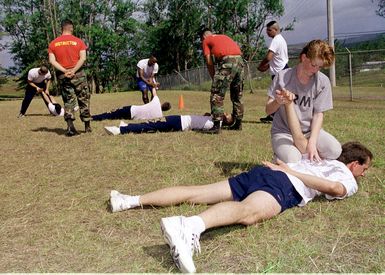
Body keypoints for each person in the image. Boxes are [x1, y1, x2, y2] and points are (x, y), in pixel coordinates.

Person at [108, 100, 372, 273]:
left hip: (264, 173)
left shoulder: (317, 155)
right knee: (248, 212)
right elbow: (335, 189)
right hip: (284, 182)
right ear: (355, 165)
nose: (363, 175)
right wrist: (289, 170)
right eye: (365, 169)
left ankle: (128, 200)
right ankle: (188, 227)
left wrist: (289, 107)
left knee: (197, 191)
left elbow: (299, 137)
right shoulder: (346, 176)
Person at [265, 39, 341, 163]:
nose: (316, 70)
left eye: (320, 67)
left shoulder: (323, 82)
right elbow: (268, 110)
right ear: (304, 57)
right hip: (283, 132)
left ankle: (303, 151)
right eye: (313, 65)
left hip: (309, 131)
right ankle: (280, 157)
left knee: (335, 150)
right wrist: (277, 101)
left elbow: (318, 115)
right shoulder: (283, 77)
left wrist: (312, 141)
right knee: (294, 159)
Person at [48, 19, 91, 136]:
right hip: (79, 75)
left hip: (63, 76)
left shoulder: (53, 43)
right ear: (71, 28)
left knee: (68, 101)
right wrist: (73, 70)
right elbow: (83, 58)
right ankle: (87, 126)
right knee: (83, 99)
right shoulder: (79, 42)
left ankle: (70, 127)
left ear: (62, 28)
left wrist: (65, 71)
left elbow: (52, 60)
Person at [199, 28, 244, 134]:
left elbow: (209, 62)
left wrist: (214, 77)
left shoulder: (206, 40)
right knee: (237, 94)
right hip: (240, 61)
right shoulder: (224, 36)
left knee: (216, 94)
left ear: (203, 37)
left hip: (228, 61)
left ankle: (216, 126)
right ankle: (238, 124)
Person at [258, 20, 289, 123]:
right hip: (282, 70)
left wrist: (261, 65)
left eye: (269, 30)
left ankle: (273, 116)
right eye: (266, 30)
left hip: (279, 72)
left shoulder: (276, 40)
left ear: (275, 30)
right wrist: (267, 67)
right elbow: (276, 59)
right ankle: (275, 116)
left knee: (273, 95)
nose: (267, 32)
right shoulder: (281, 39)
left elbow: (269, 57)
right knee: (279, 95)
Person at [103, 113, 234, 136]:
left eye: (227, 115)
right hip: (180, 120)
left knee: (153, 126)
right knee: (153, 123)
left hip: (180, 123)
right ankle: (126, 126)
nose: (225, 113)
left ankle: (120, 130)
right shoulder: (214, 118)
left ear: (226, 121)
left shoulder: (215, 123)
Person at [92, 88, 170, 121]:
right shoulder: (160, 115)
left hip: (132, 110)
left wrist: (154, 85)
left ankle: (93, 117)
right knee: (114, 116)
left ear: (162, 104)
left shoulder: (156, 101)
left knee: (111, 113)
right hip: (132, 118)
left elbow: (153, 90)